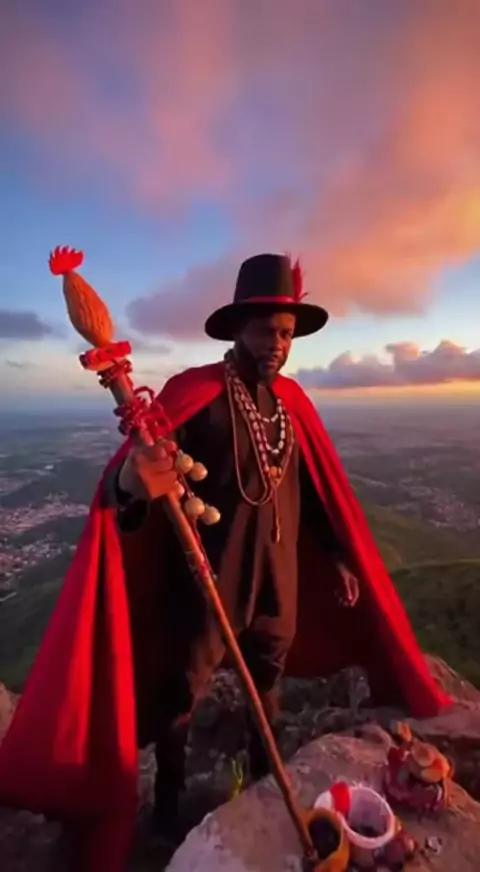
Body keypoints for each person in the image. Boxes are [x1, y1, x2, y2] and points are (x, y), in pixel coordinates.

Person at [0, 253, 452, 872]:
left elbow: (311, 493)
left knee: (268, 687)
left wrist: (338, 558)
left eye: (286, 333)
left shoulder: (291, 404)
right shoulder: (198, 393)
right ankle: (167, 804)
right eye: (266, 330)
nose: (277, 344)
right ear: (238, 327)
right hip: (207, 583)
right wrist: (132, 483)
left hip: (278, 579)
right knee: (181, 699)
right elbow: (134, 478)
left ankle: (266, 784)